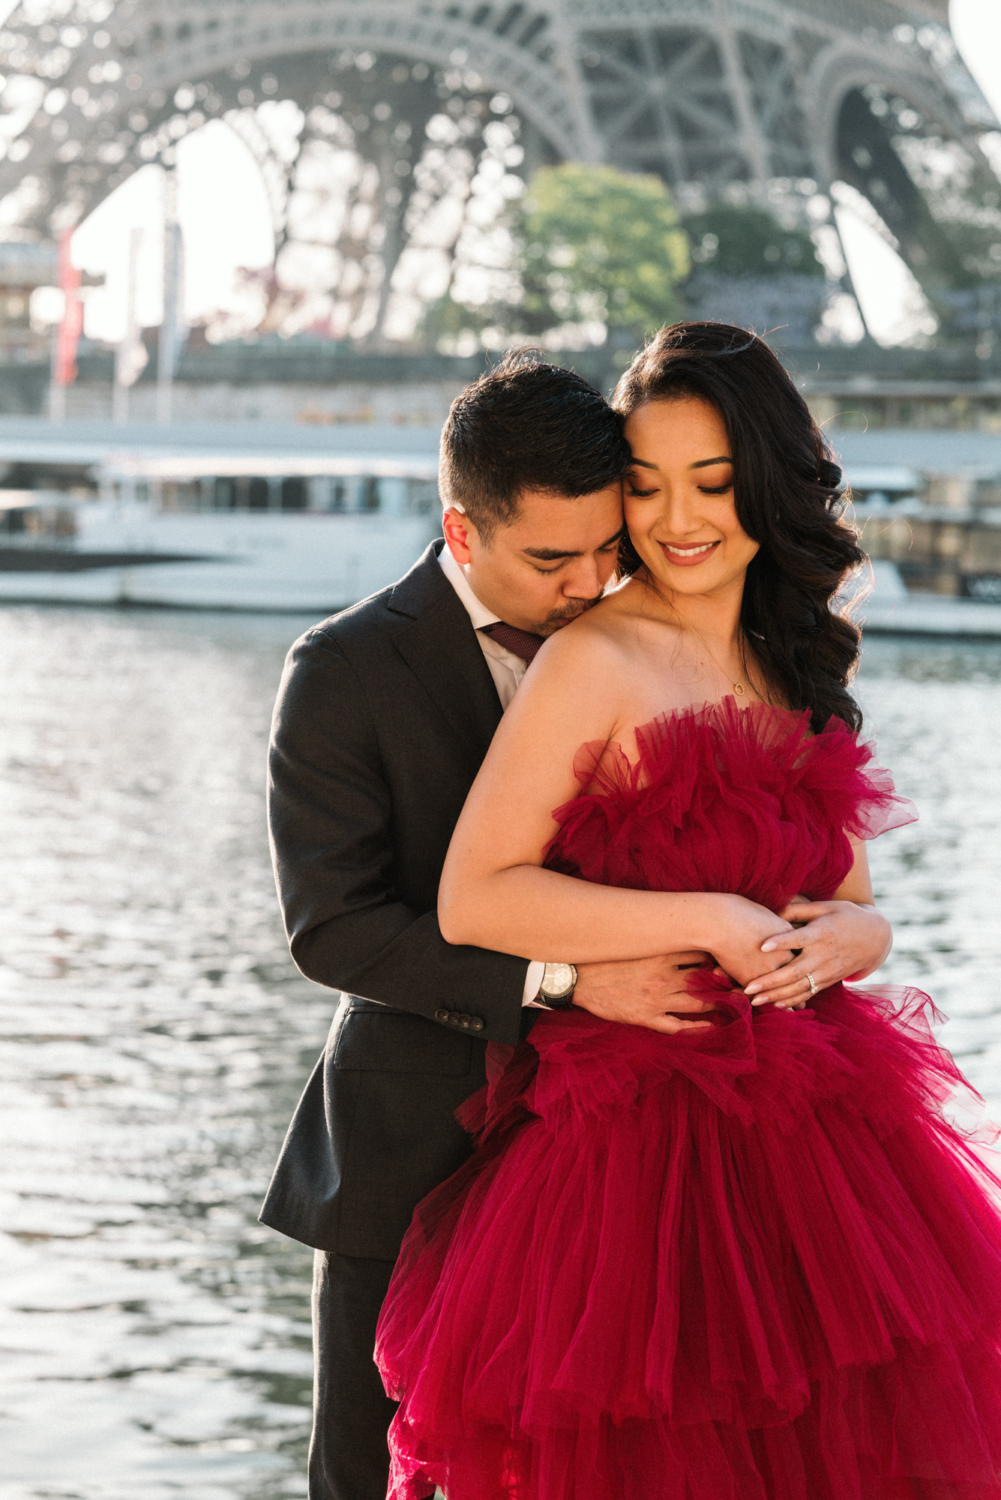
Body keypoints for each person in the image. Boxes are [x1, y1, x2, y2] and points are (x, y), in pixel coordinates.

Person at [375, 324, 1001, 1500]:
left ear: (766, 480)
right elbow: (476, 895)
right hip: (637, 1157)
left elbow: (849, 906)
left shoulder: (794, 660)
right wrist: (708, 918)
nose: (675, 519)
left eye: (710, 483)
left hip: (820, 1150)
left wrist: (857, 939)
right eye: (645, 486)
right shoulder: (595, 658)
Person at [259, 352, 890, 1500]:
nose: (596, 575)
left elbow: (830, 880)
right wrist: (562, 978)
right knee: (369, 1471)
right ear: (463, 533)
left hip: (683, 1145)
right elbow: (336, 930)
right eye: (556, 558)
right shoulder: (348, 668)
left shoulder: (689, 632)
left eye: (610, 541)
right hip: (422, 1119)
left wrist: (862, 932)